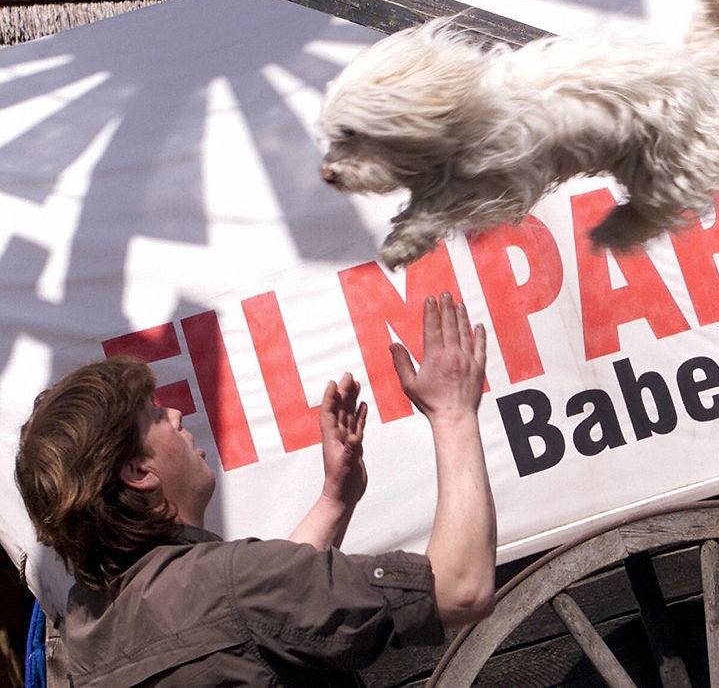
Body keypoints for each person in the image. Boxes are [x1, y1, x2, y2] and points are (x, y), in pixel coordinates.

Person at [14, 293, 497, 686]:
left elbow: (243, 616)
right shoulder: (232, 585)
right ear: (140, 471)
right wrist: (453, 414)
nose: (178, 416)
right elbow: (460, 588)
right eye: (157, 415)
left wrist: (336, 497)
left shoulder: (86, 635)